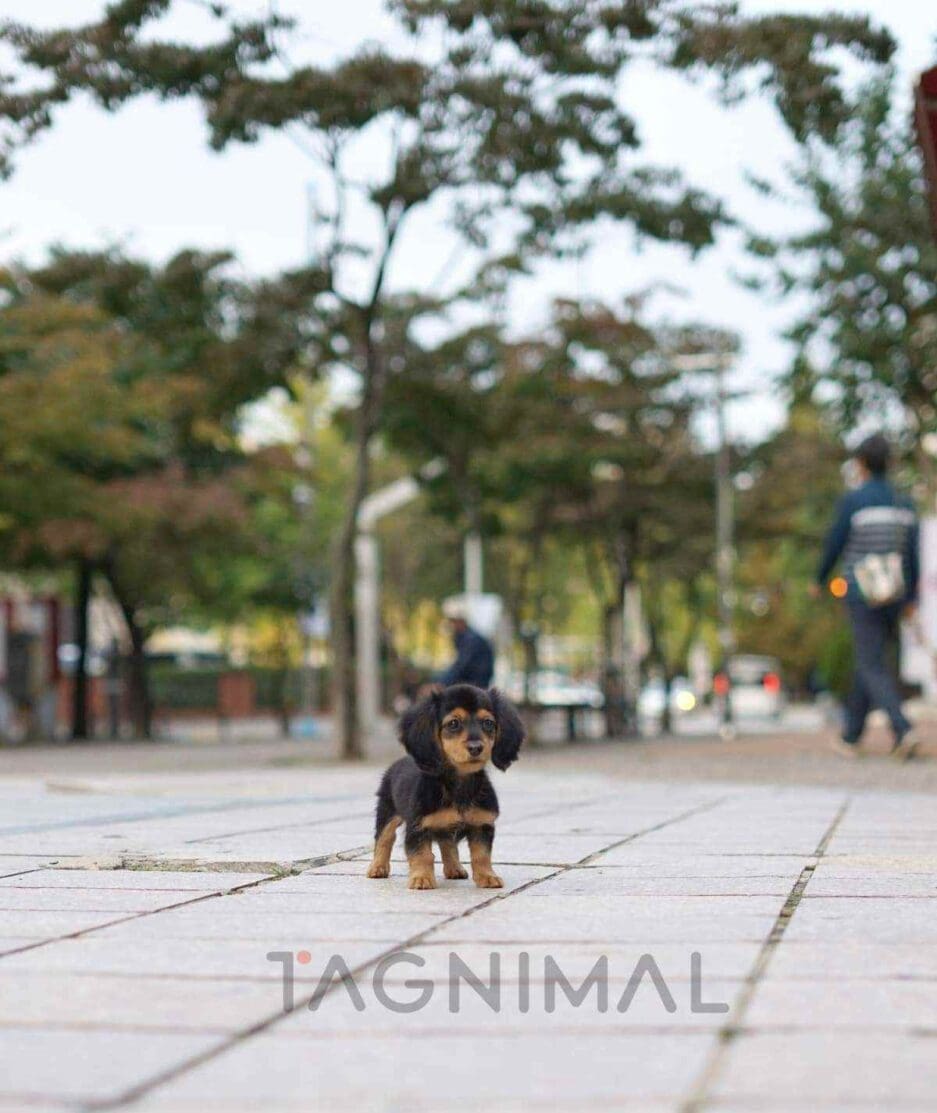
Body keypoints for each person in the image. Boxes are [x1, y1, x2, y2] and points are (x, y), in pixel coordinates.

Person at [812, 434, 920, 759]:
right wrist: (912, 598)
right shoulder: (904, 503)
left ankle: (902, 728)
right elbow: (912, 556)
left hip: (863, 592)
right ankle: (851, 735)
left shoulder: (854, 501)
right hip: (896, 594)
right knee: (870, 660)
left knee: (871, 663)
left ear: (860, 463)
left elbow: (835, 542)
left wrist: (818, 579)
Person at [438, 600, 495, 688]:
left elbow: (461, 666)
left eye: (452, 621)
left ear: (460, 621)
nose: (451, 625)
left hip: (475, 685)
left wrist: (441, 682)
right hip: (472, 683)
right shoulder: (465, 637)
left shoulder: (471, 640)